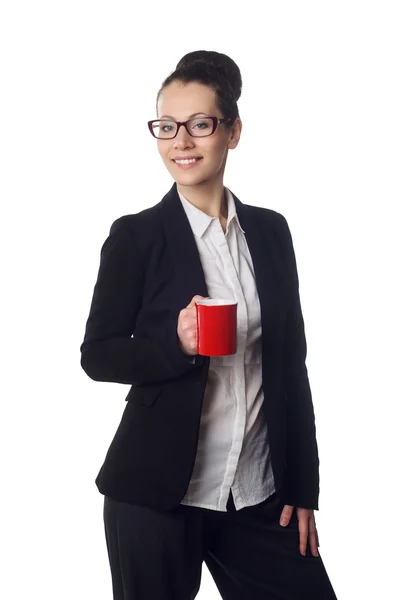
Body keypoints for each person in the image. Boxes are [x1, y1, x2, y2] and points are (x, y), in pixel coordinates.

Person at [80, 50, 338, 600]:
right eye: (167, 127)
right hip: (156, 495)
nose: (181, 142)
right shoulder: (136, 237)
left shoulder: (270, 233)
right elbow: (97, 354)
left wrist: (303, 486)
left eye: (200, 124)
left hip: (258, 494)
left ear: (233, 131)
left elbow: (292, 367)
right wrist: (174, 344)